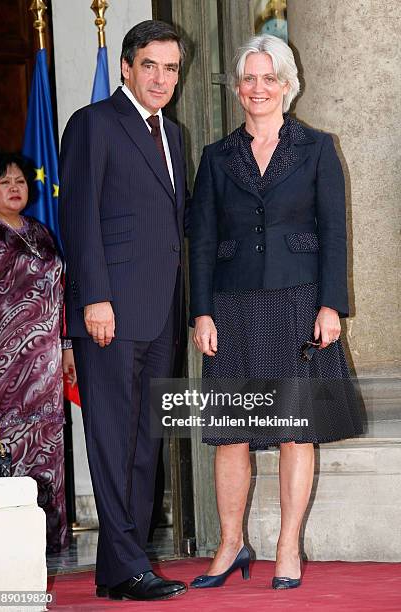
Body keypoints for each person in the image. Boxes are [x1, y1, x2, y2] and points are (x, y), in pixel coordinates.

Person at [189, 34, 363, 590]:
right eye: (249, 79)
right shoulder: (216, 157)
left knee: (293, 429)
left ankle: (288, 546)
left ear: (288, 85)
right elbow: (200, 240)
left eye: (269, 78)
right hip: (231, 306)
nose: (258, 88)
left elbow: (335, 233)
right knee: (230, 431)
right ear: (238, 88)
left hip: (298, 303)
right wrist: (201, 312)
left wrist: (331, 304)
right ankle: (231, 544)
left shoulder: (316, 148)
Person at [59, 20, 188, 601]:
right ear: (127, 68)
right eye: (152, 66)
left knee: (145, 445)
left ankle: (119, 567)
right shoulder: (93, 124)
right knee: (113, 440)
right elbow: (81, 215)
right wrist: (94, 298)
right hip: (109, 310)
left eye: (172, 68)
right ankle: (131, 565)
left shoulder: (176, 135)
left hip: (159, 312)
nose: (162, 78)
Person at [0, 150, 76, 552]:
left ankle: (49, 541)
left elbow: (61, 295)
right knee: (5, 450)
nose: (14, 188)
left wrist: (67, 347)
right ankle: (10, 547)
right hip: (1, 368)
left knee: (47, 448)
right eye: (4, 181)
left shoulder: (40, 232)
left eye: (20, 181)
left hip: (44, 367)